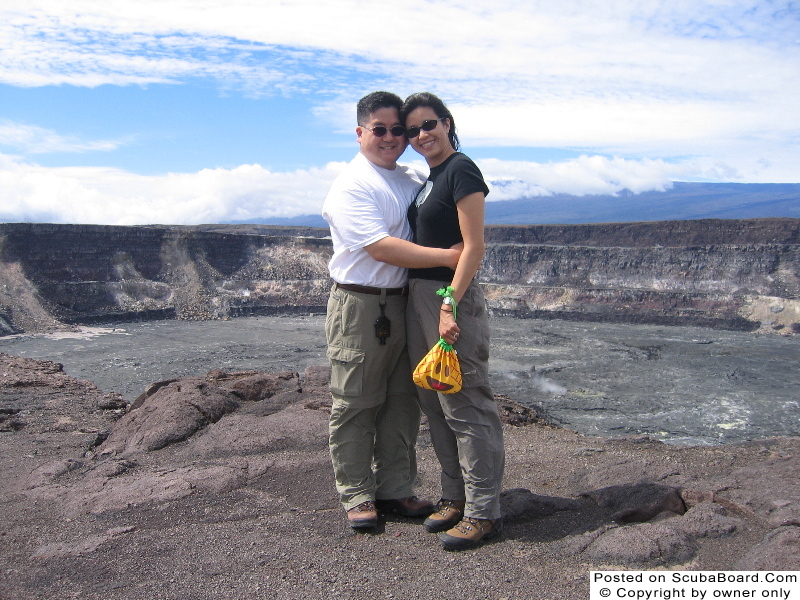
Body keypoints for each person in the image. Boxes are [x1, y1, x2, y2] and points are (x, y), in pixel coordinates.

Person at [322, 91, 462, 530]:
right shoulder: (352, 184)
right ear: (360, 131)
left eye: (397, 130)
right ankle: (357, 495)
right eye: (378, 129)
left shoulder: (408, 178)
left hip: (403, 303)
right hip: (361, 304)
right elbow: (380, 248)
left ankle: (396, 489)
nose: (389, 137)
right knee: (357, 401)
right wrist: (451, 257)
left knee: (403, 400)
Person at [400, 92, 505, 551]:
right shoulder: (432, 177)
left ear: (446, 123)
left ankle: (482, 512)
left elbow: (473, 247)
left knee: (465, 404)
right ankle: (454, 497)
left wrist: (448, 306)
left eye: (429, 125)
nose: (422, 135)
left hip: (448, 298)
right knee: (434, 401)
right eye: (413, 130)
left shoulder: (462, 169)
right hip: (420, 296)